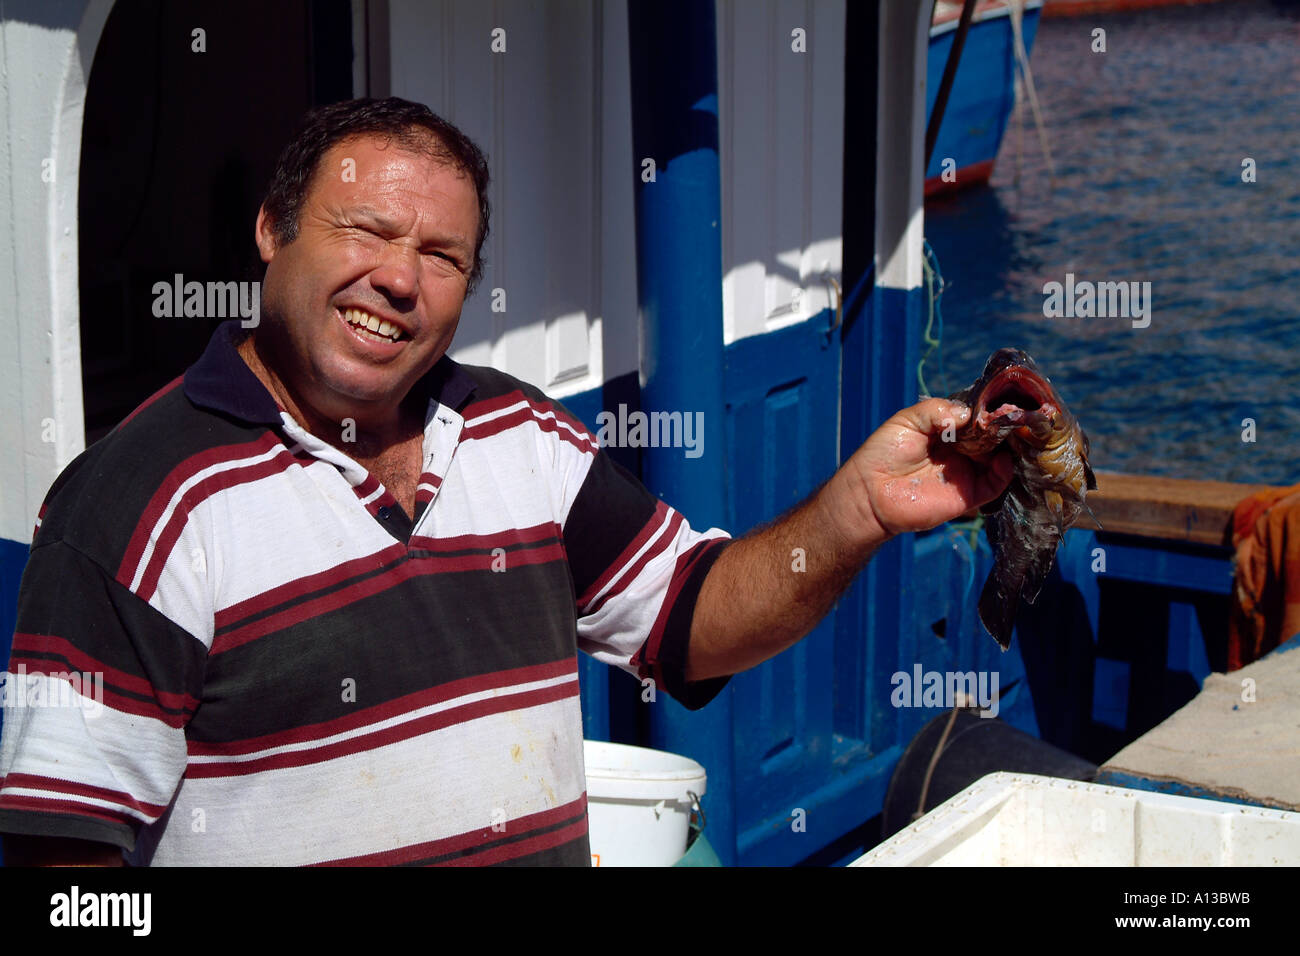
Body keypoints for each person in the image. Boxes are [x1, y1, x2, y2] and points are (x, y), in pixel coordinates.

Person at [0, 97, 1012, 866]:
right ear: (273, 231)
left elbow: (690, 615)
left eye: (441, 253)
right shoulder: (134, 505)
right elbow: (65, 867)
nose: (399, 277)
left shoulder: (518, 433)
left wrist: (858, 511)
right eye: (364, 231)